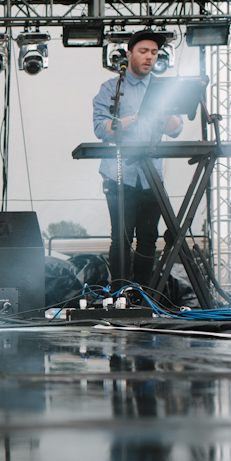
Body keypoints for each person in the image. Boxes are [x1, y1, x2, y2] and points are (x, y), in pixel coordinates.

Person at [92, 31, 183, 287]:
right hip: (118, 173)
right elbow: (101, 129)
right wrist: (135, 117)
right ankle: (120, 295)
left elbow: (176, 129)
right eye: (144, 51)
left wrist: (162, 112)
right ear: (129, 54)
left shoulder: (162, 88)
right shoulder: (111, 88)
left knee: (148, 238)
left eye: (154, 53)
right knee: (121, 238)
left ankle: (143, 295)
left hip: (152, 176)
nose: (149, 57)